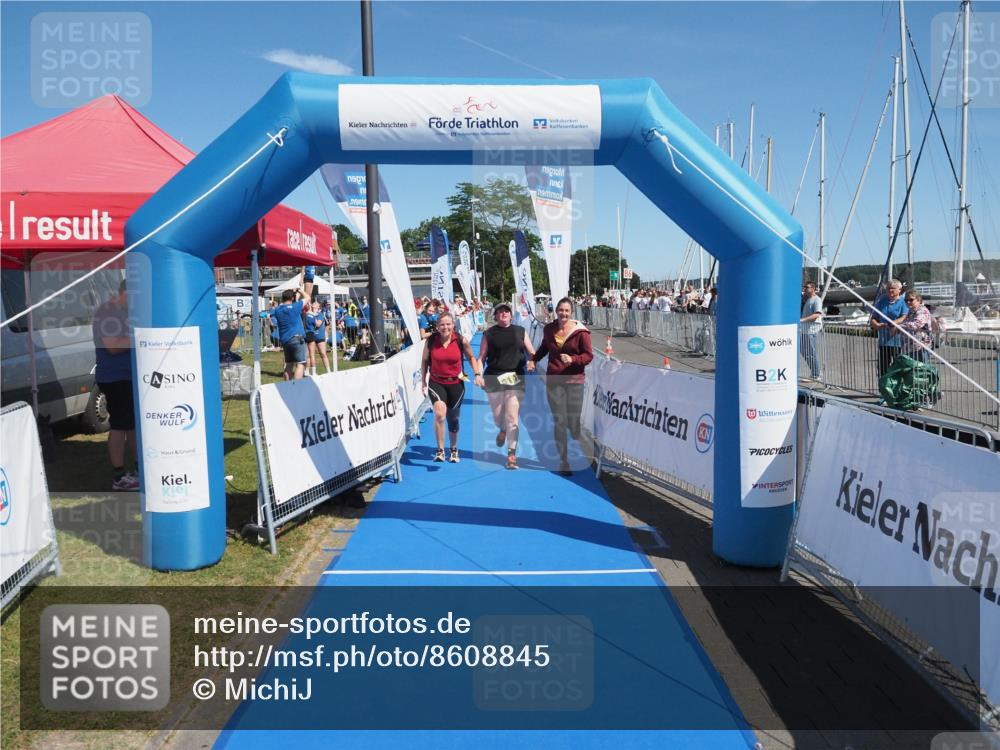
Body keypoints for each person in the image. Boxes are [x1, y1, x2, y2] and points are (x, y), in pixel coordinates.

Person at [532, 297, 594, 475]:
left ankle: (580, 441)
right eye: (561, 310)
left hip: (575, 381)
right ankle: (563, 460)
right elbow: (545, 348)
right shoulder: (549, 329)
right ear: (556, 311)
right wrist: (534, 360)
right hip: (554, 380)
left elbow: (588, 356)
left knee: (572, 422)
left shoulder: (581, 332)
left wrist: (573, 359)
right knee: (559, 421)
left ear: (571, 313)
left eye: (567, 311)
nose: (563, 314)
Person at [476, 302, 537, 470]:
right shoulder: (489, 333)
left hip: (515, 377)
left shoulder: (520, 331)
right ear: (495, 316)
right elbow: (481, 358)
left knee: (512, 416)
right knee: (498, 417)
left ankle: (511, 455)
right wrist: (477, 375)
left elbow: (531, 352)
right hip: (494, 376)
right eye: (500, 312)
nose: (503, 313)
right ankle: (502, 429)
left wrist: (532, 362)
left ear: (511, 315)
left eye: (506, 311)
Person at [92, 278, 138, 491]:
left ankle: (138, 471)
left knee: (132, 425)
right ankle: (119, 476)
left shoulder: (124, 312)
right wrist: (143, 338)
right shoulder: (108, 312)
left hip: (128, 376)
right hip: (115, 377)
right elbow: (112, 346)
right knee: (120, 425)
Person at [421, 312, 481, 463]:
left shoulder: (461, 340)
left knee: (453, 418)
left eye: (448, 324)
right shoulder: (431, 341)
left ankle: (453, 449)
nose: (445, 327)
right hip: (436, 382)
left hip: (456, 383)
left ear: (453, 325)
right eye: (442, 324)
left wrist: (477, 374)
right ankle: (440, 450)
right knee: (440, 415)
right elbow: (424, 361)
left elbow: (471, 357)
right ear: (437, 326)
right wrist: (423, 381)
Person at [871, 278, 908, 380]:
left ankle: (898, 390)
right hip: (884, 341)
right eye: (888, 288)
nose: (890, 291)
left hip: (898, 341)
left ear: (899, 290)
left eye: (893, 288)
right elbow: (874, 317)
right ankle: (883, 390)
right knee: (883, 368)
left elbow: (904, 317)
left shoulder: (903, 302)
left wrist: (892, 323)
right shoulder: (882, 301)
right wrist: (876, 325)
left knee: (898, 368)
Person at [274, 288, 308, 380]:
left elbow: (284, 306)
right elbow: (307, 297)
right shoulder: (295, 307)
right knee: (301, 364)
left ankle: (287, 386)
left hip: (285, 341)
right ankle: (297, 387)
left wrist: (293, 296)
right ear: (292, 298)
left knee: (289, 364)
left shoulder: (277, 310)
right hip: (297, 339)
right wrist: (299, 290)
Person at [799, 281, 823, 380]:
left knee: (811, 352)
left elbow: (817, 314)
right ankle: (814, 372)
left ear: (813, 288)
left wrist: (802, 320)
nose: (805, 289)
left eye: (807, 287)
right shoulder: (808, 299)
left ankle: (816, 374)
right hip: (805, 330)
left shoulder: (816, 300)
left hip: (811, 330)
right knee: (804, 351)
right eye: (804, 287)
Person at [306, 301, 331, 376]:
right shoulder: (309, 314)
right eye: (313, 304)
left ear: (318, 307)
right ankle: (307, 371)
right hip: (311, 336)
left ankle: (328, 370)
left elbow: (318, 324)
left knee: (323, 354)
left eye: (314, 304)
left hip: (319, 336)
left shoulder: (320, 314)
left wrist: (313, 315)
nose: (313, 305)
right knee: (310, 355)